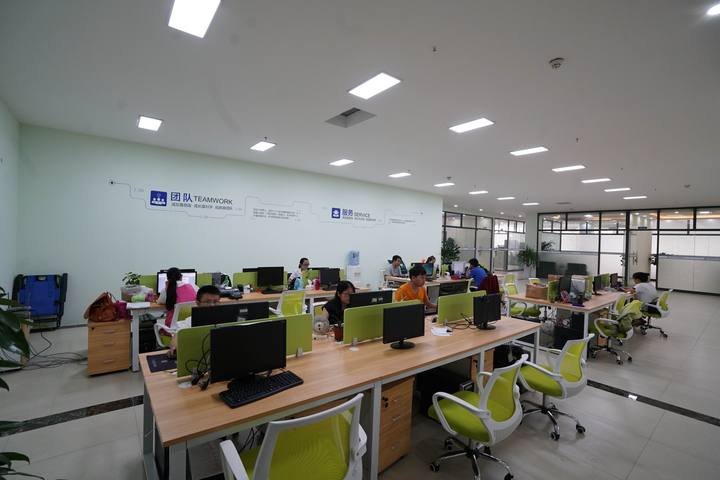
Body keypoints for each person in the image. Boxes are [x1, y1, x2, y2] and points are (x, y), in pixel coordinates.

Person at [166, 285, 221, 357]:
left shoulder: (226, 319)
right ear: (198, 303)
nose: (212, 305)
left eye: (216, 302)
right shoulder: (189, 322)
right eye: (207, 302)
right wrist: (174, 349)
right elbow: (177, 338)